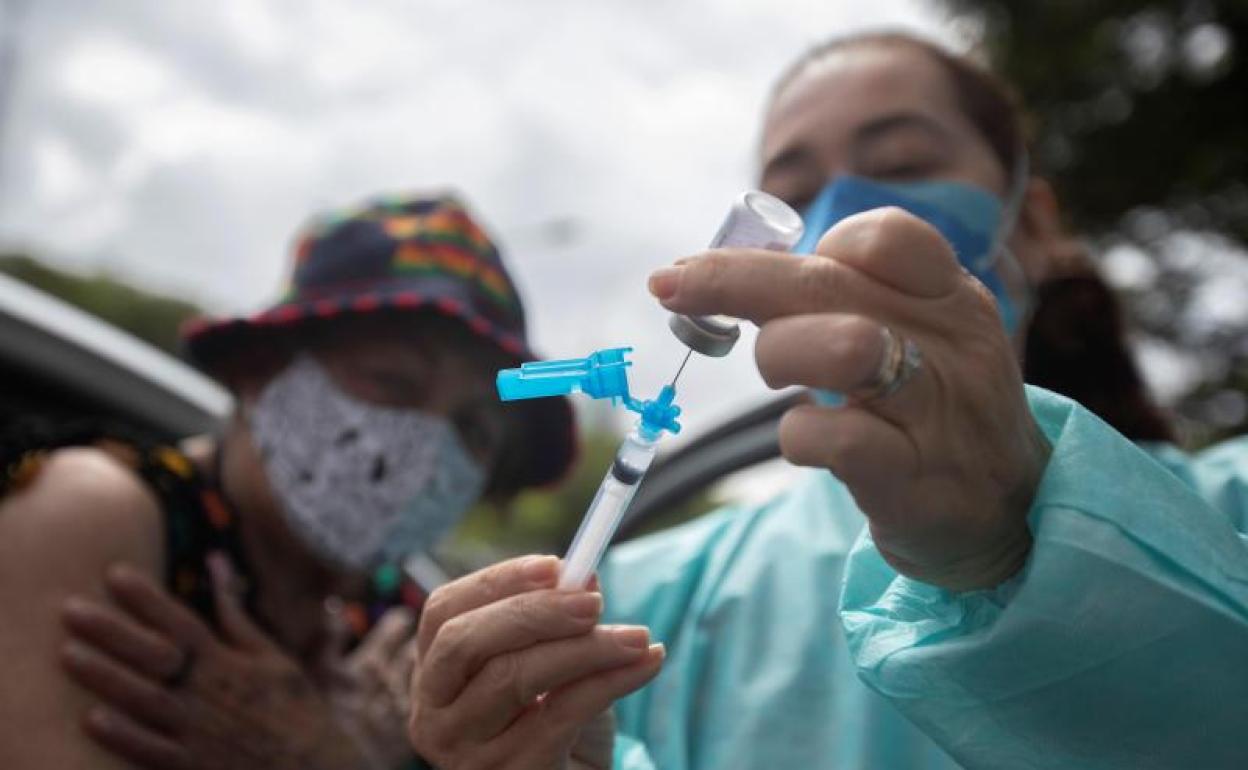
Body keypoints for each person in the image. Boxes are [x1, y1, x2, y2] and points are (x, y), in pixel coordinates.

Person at [406, 31, 1248, 770]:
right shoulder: (655, 595)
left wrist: (1022, 543)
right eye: (796, 194)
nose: (847, 219)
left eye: (906, 166)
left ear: (1028, 222)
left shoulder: (1227, 514)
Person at [0, 192, 591, 769]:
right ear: (261, 369)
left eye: (474, 428)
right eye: (393, 381)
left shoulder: (404, 633)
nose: (424, 446)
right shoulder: (98, 516)